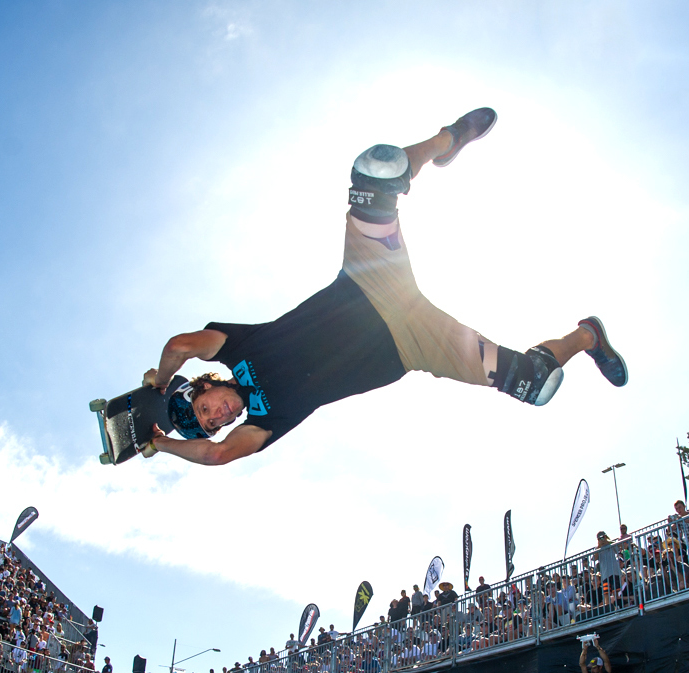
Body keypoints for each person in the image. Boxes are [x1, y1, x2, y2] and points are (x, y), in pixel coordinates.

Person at [141, 109, 628, 466]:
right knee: (535, 385)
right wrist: (161, 444)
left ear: (205, 383)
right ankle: (588, 336)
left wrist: (160, 384)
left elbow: (180, 346)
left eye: (206, 408)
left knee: (377, 172)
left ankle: (445, 141)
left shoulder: (237, 348)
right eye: (214, 422)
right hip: (413, 345)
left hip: (369, 283)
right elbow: (218, 454)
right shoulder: (266, 421)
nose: (219, 416)